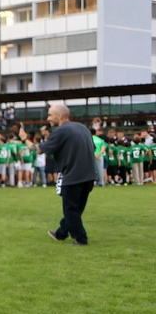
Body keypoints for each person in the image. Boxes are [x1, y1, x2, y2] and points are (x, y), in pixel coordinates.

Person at [29, 103, 96, 246]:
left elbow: (40, 150)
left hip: (73, 175)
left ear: (59, 116)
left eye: (50, 115)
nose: (48, 119)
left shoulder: (61, 131)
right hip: (89, 174)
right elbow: (92, 148)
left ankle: (81, 239)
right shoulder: (82, 128)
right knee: (76, 208)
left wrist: (25, 140)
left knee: (70, 209)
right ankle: (61, 233)